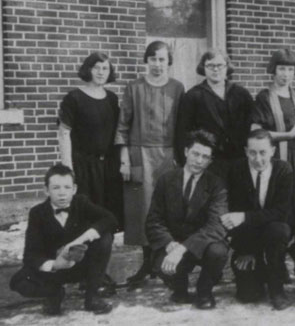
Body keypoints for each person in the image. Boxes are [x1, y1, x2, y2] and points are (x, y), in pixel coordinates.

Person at [116, 41, 185, 288]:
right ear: (146, 60)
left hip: (168, 156)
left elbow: (181, 125)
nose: (157, 64)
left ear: (169, 62)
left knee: (167, 208)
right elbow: (123, 125)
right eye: (153, 59)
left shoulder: (177, 88)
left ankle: (162, 261)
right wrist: (124, 159)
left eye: (162, 60)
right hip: (139, 154)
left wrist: (181, 157)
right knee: (143, 211)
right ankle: (147, 263)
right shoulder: (133, 87)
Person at [9, 164, 117, 315]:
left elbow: (110, 219)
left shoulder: (81, 203)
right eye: (56, 188)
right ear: (46, 190)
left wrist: (79, 240)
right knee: (18, 282)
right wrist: (54, 264)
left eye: (67, 187)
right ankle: (54, 294)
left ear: (74, 189)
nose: (62, 193)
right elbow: (30, 255)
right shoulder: (37, 213)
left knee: (105, 238)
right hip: (54, 271)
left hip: (80, 265)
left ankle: (92, 297)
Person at [146, 130, 228, 310]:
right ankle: (179, 289)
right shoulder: (166, 180)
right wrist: (169, 244)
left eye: (205, 157)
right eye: (195, 154)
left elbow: (216, 225)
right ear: (185, 152)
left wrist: (183, 248)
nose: (199, 161)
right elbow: (153, 220)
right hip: (174, 243)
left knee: (218, 252)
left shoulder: (216, 185)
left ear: (210, 160)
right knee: (161, 265)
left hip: (202, 245)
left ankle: (204, 291)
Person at [222, 129, 293, 309]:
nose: (258, 158)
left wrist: (245, 217)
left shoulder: (283, 170)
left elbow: (280, 212)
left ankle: (276, 286)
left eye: (263, 152)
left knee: (279, 229)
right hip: (247, 237)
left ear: (273, 151)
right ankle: (261, 269)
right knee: (248, 295)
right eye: (252, 153)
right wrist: (246, 250)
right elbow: (234, 212)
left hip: (273, 231)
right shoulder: (236, 169)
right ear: (246, 151)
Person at [58, 52, 122, 226]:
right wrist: (67, 169)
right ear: (88, 69)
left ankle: (103, 249)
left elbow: (118, 132)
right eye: (96, 68)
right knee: (84, 215)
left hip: (107, 167)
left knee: (107, 214)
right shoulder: (74, 98)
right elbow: (64, 134)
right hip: (83, 167)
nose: (101, 72)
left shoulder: (112, 98)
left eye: (105, 68)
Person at [251, 49, 295, 216]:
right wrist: (288, 136)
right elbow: (256, 133)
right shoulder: (264, 97)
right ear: (273, 69)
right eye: (281, 69)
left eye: (290, 69)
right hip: (275, 157)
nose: (286, 74)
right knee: (278, 200)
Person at [176, 49, 253, 182]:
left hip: (239, 160)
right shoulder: (193, 96)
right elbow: (183, 132)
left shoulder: (242, 94)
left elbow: (251, 126)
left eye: (220, 65)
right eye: (210, 66)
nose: (215, 69)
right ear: (203, 68)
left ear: (227, 67)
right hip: (209, 162)